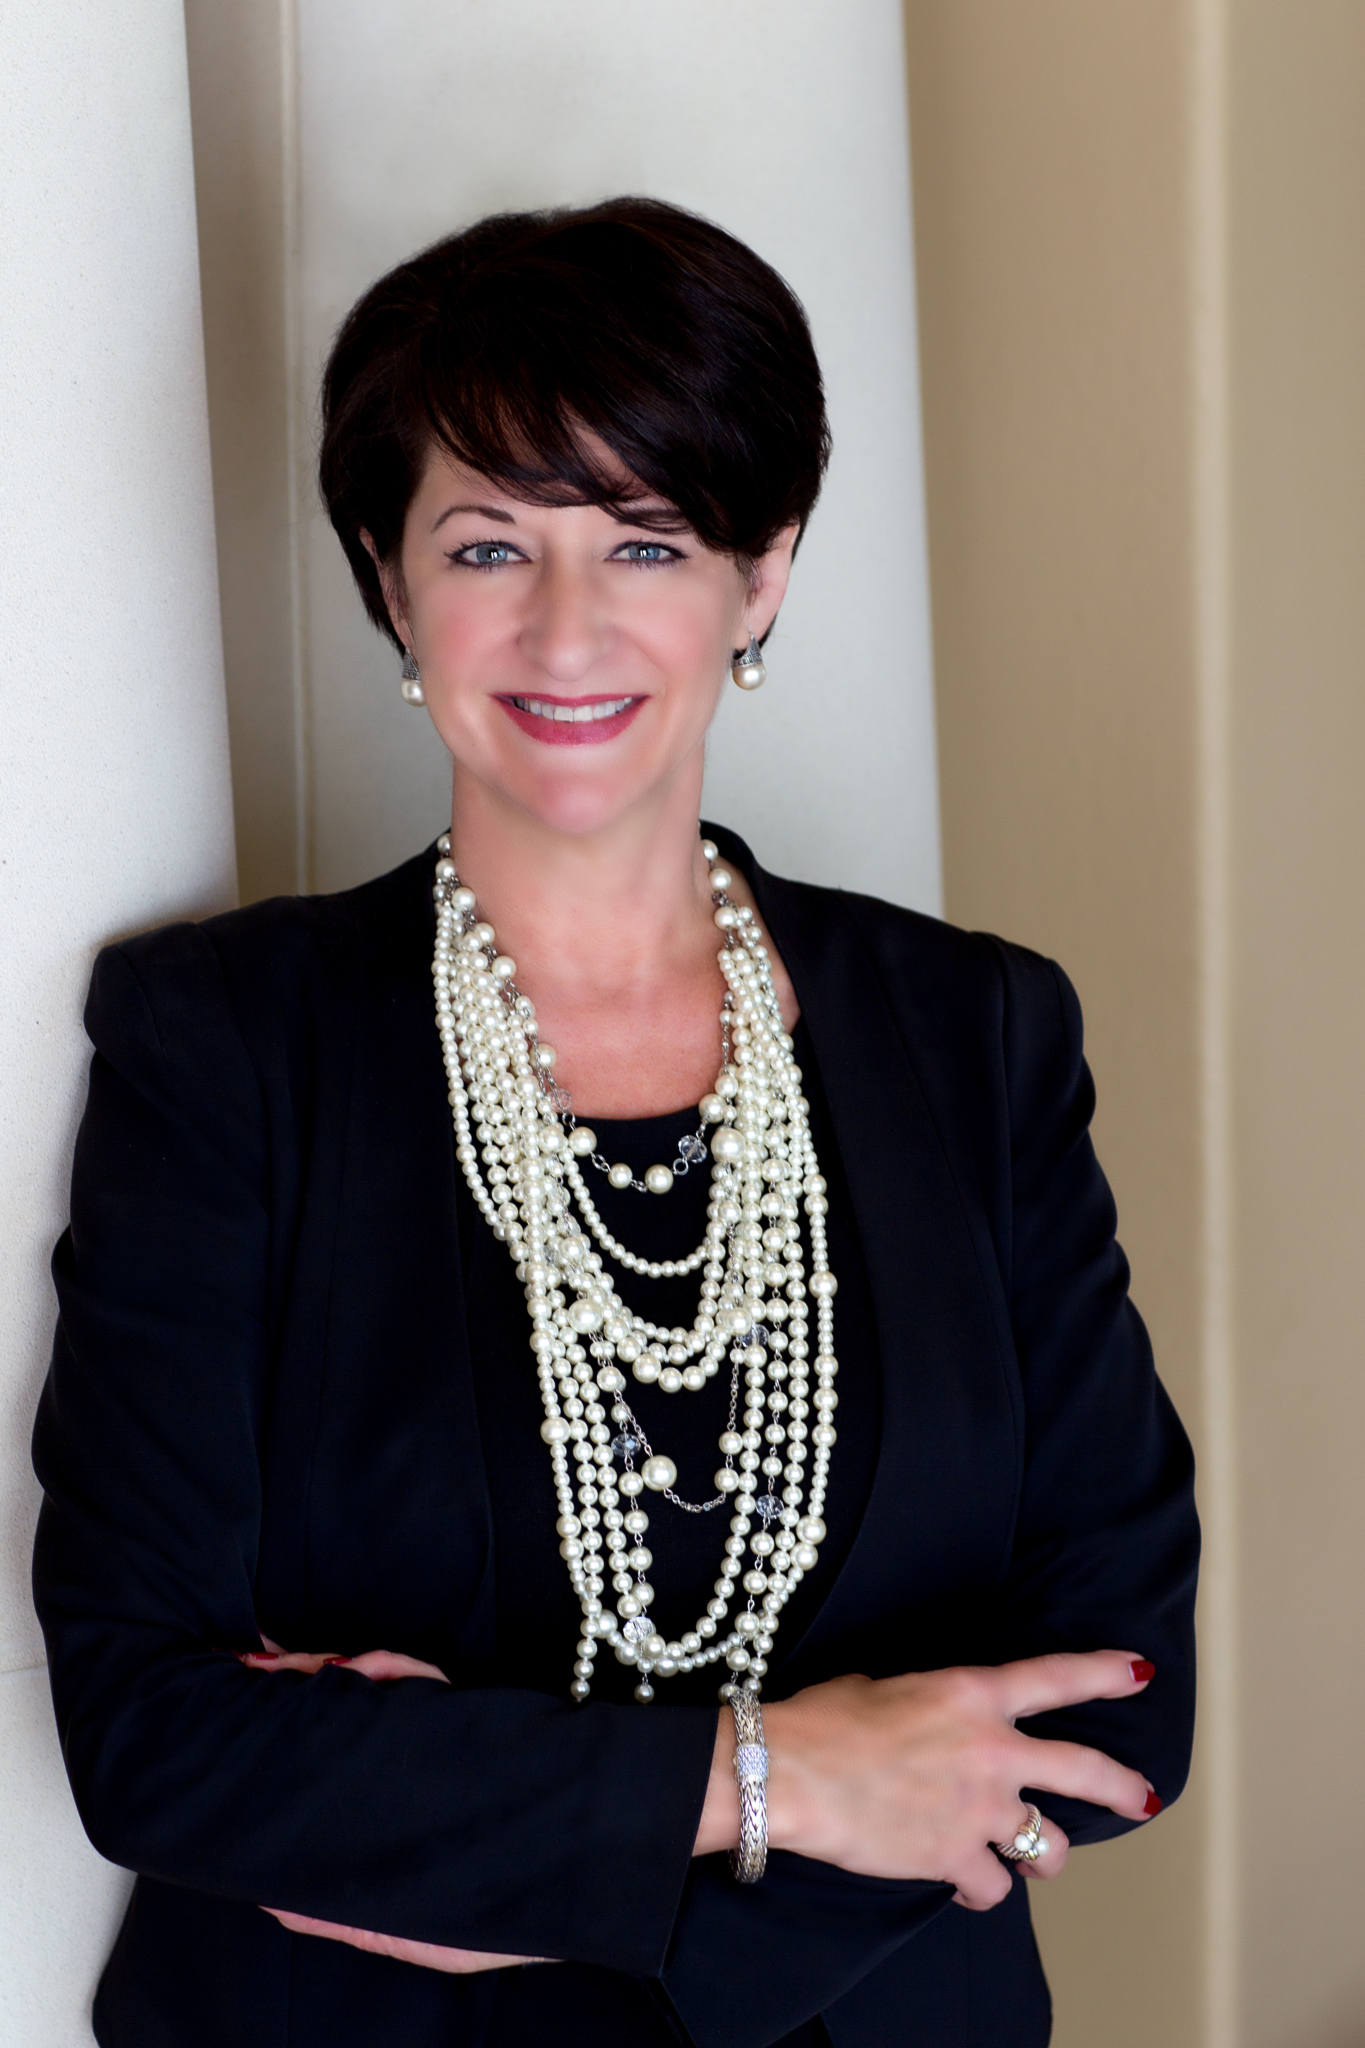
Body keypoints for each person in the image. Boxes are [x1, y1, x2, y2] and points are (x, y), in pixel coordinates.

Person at [32, 197, 1197, 2048]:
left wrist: (514, 1865)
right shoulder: (227, 1043)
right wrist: (776, 1782)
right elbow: (156, 1733)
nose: (564, 628)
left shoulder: (976, 1034)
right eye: (487, 544)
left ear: (763, 572)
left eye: (645, 540)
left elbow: (1117, 1698)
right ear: (388, 580)